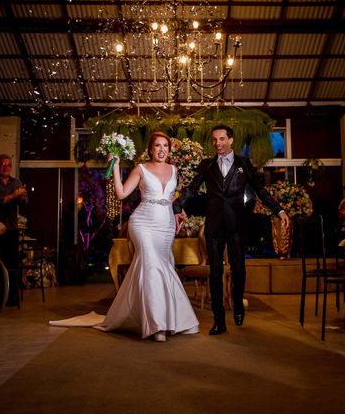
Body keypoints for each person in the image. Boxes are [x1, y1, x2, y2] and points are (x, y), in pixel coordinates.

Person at [173, 124, 290, 335]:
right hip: (214, 227)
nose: (217, 143)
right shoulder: (207, 165)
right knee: (215, 273)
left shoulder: (244, 164)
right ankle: (219, 321)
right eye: (214, 140)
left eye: (221, 139)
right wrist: (177, 206)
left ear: (231, 140)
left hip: (237, 225)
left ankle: (237, 304)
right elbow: (191, 188)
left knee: (239, 271)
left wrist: (279, 210)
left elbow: (260, 190)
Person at [96, 132, 199, 341]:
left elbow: (170, 199)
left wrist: (179, 210)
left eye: (165, 147)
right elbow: (122, 194)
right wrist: (116, 167)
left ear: (169, 150)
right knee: (151, 264)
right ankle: (157, 325)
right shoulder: (141, 169)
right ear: (150, 149)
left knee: (163, 266)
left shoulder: (174, 170)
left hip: (166, 225)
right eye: (157, 146)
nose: (161, 150)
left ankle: (168, 319)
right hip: (143, 223)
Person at [0, 154, 27, 305]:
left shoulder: (16, 182)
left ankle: (12, 298)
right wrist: (13, 195)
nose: (6, 167)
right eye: (2, 164)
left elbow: (24, 202)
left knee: (12, 264)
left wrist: (21, 197)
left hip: (12, 228)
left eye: (8, 164)